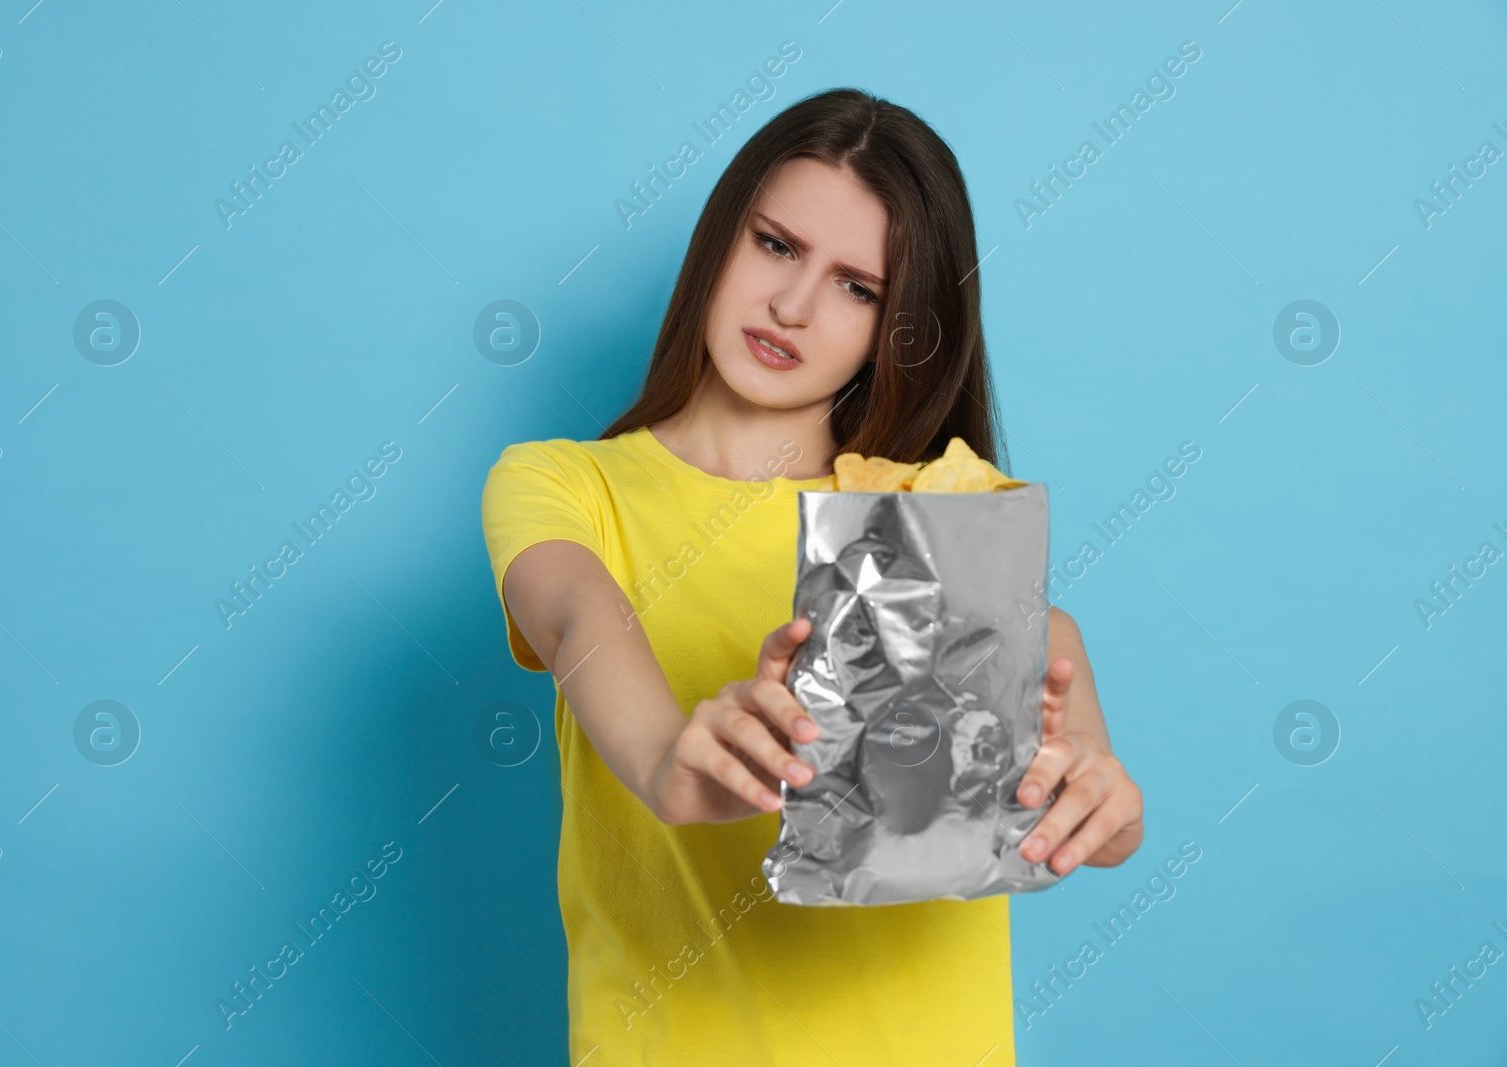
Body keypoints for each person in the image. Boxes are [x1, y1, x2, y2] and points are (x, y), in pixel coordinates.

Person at [480, 86, 1144, 1066]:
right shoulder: (562, 483)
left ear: (899, 325)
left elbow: (1048, 651)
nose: (791, 306)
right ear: (720, 240)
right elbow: (579, 616)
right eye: (776, 246)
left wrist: (1099, 800)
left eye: (857, 287)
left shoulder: (944, 502)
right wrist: (671, 757)